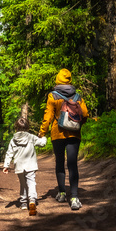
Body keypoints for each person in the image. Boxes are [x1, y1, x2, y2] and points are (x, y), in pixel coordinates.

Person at [38, 69, 90, 210]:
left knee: (60, 163)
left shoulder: (52, 96)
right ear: (69, 80)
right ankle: (74, 197)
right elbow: (85, 113)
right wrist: (78, 124)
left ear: (57, 80)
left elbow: (47, 116)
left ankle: (61, 193)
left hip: (57, 134)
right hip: (74, 134)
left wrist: (42, 132)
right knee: (73, 165)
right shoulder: (78, 96)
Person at [3, 116, 45, 216]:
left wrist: (6, 165)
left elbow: (9, 153)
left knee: (23, 183)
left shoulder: (13, 140)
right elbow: (42, 143)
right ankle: (32, 201)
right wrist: (43, 137)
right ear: (27, 127)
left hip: (19, 166)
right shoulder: (31, 137)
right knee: (31, 182)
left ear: (16, 128)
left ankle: (23, 203)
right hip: (30, 165)